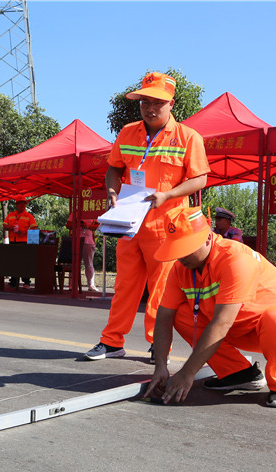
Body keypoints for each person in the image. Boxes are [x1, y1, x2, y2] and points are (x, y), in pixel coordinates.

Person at [84, 71, 209, 361]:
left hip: (167, 227)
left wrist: (167, 195)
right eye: (144, 102)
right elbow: (115, 167)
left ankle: (158, 343)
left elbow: (199, 179)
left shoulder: (188, 138)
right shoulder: (128, 132)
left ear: (171, 104)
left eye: (157, 103)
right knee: (125, 285)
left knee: (162, 288)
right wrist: (112, 191)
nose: (150, 108)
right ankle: (112, 341)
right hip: (129, 224)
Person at [145, 206, 276, 408]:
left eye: (186, 249)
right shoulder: (180, 269)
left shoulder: (235, 258)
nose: (181, 256)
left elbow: (221, 323)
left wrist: (187, 373)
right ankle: (239, 374)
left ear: (208, 238)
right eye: (177, 249)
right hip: (241, 328)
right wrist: (160, 367)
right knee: (181, 314)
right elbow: (164, 316)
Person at [3, 197, 37, 288]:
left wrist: (24, 232)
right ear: (16, 205)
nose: (23, 205)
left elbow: (34, 227)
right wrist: (11, 228)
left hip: (24, 242)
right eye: (20, 203)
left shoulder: (29, 216)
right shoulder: (10, 215)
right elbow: (4, 225)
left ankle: (26, 282)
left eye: (24, 203)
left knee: (24, 262)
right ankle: (13, 281)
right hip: (13, 241)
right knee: (13, 262)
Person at [66, 214, 99, 292]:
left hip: (89, 241)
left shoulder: (94, 212)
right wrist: (78, 224)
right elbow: (68, 225)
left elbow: (99, 227)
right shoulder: (76, 212)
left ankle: (91, 284)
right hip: (76, 240)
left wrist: (88, 226)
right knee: (74, 263)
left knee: (89, 263)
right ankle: (72, 284)